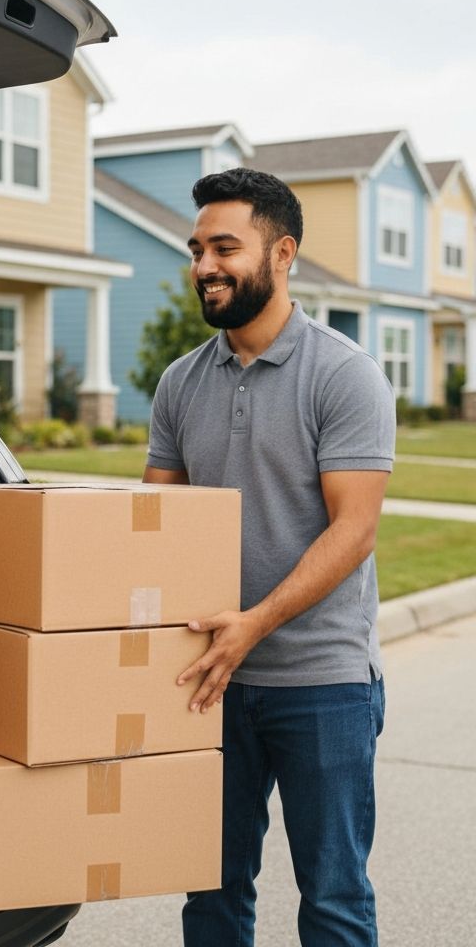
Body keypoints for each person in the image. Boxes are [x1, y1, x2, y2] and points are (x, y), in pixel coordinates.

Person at [142, 167, 395, 947]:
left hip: (322, 681)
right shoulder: (181, 383)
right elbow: (154, 523)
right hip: (212, 680)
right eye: (196, 250)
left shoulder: (343, 374)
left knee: (332, 896)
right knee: (212, 895)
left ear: (282, 254)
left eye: (225, 247)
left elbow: (353, 531)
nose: (205, 266)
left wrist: (253, 623)